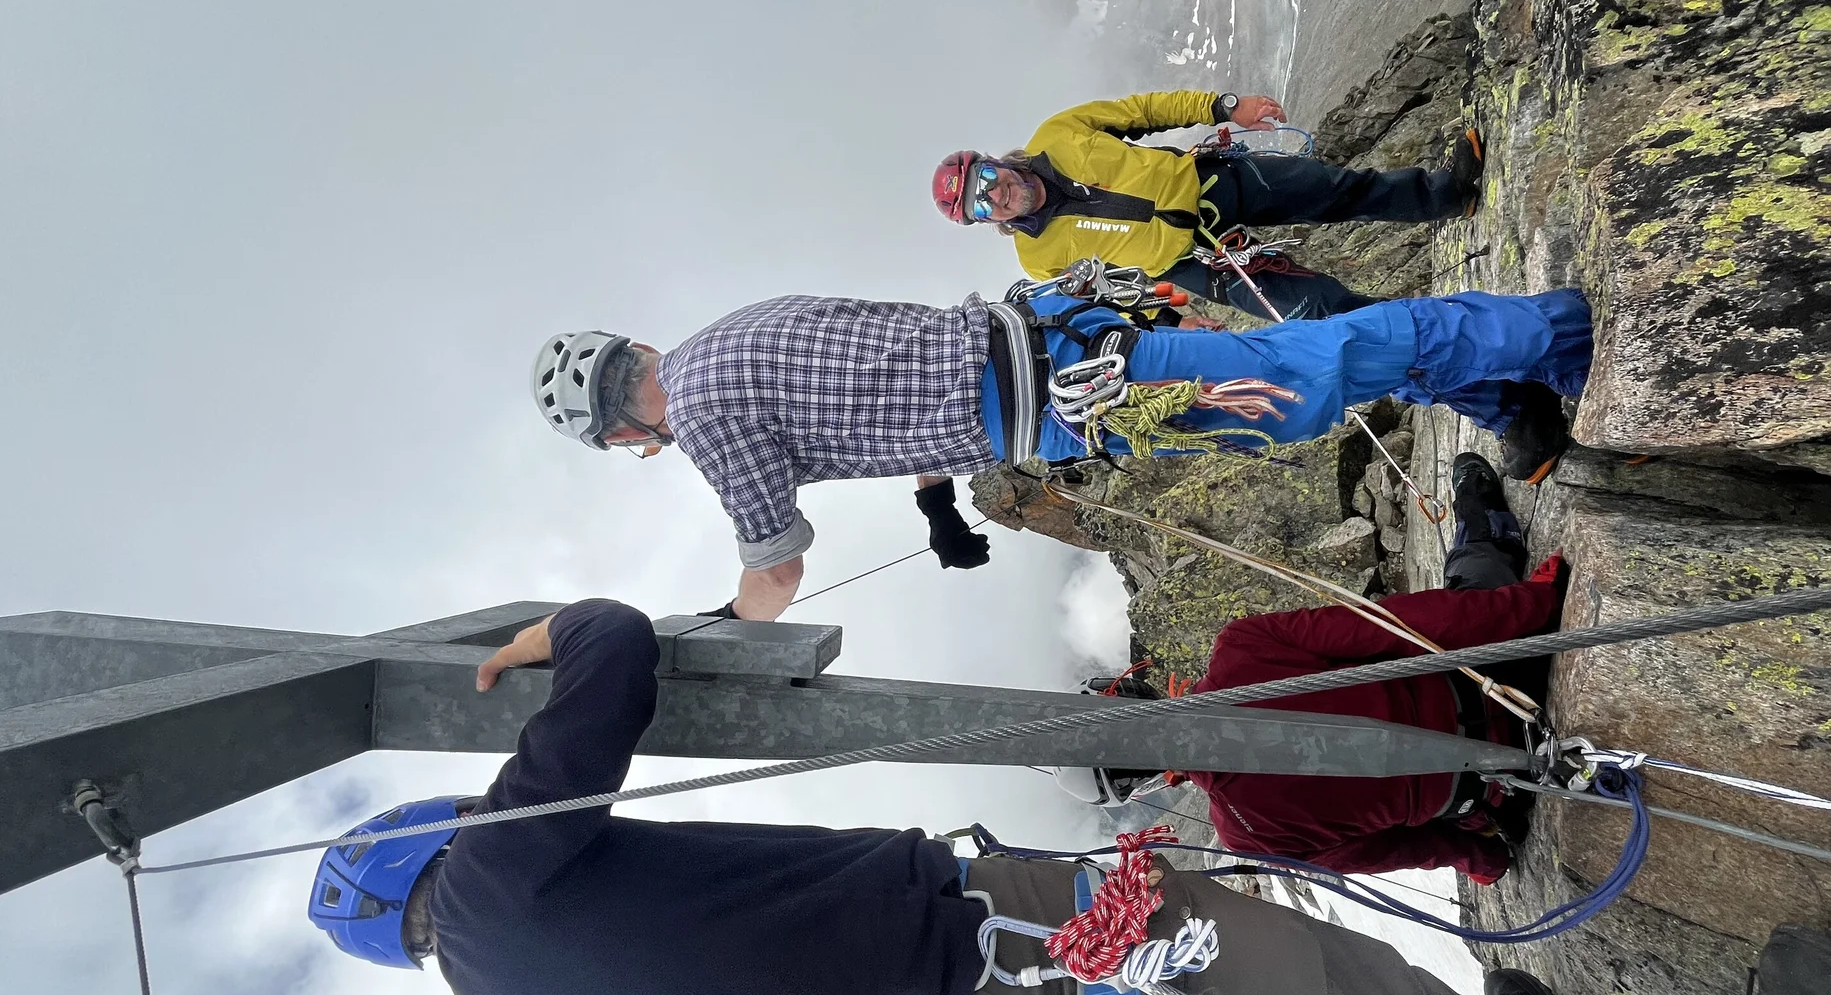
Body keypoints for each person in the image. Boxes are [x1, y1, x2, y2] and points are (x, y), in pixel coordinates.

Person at [309, 598, 1831, 995]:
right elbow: (608, 648)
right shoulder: (505, 869)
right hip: (1014, 952)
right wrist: (535, 643)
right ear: (421, 854)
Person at [529, 289, 1586, 617]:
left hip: (1082, 394)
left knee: (1303, 376)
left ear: (625, 427)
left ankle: (1552, 332)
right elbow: (881, 382)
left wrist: (725, 631)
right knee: (1293, 380)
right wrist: (936, 501)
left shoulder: (704, 414)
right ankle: (1504, 392)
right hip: (1062, 348)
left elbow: (775, 565)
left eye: (629, 448)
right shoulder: (734, 336)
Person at [1169, 452, 1564, 883]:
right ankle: (1481, 513)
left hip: (1506, 782)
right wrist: (1536, 603)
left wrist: (1481, 860)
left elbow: (1391, 849)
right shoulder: (1240, 650)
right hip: (1502, 675)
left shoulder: (1245, 837)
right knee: (1473, 564)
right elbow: (1398, 627)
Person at [931, 88, 1484, 320]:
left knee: (1334, 189)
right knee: (1313, 307)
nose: (995, 195)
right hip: (1193, 263)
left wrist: (1224, 106)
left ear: (992, 161)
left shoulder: (1058, 133)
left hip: (1209, 185)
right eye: (981, 207)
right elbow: (1103, 297)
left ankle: (1446, 195)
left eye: (985, 179)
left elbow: (1144, 111)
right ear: (985, 222)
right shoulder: (1037, 260)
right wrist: (1171, 320)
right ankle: (1429, 328)